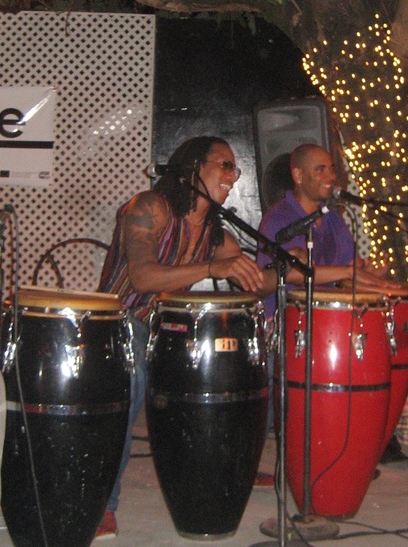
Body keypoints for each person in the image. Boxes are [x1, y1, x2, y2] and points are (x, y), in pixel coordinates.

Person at [96, 135, 277, 538]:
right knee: (136, 377)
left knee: (237, 360)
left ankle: (229, 470)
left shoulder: (213, 231)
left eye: (236, 168)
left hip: (167, 331)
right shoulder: (150, 207)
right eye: (225, 165)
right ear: (195, 167)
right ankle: (102, 503)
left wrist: (289, 272)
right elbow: (143, 277)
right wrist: (214, 268)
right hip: (122, 325)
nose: (235, 175)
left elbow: (258, 281)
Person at [254, 142, 406, 486]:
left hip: (323, 320)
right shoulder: (280, 218)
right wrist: (352, 275)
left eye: (331, 168)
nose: (330, 176)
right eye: (320, 169)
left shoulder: (333, 218)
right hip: (283, 321)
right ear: (298, 174)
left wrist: (376, 278)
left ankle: (351, 450)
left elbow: (346, 269)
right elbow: (287, 274)